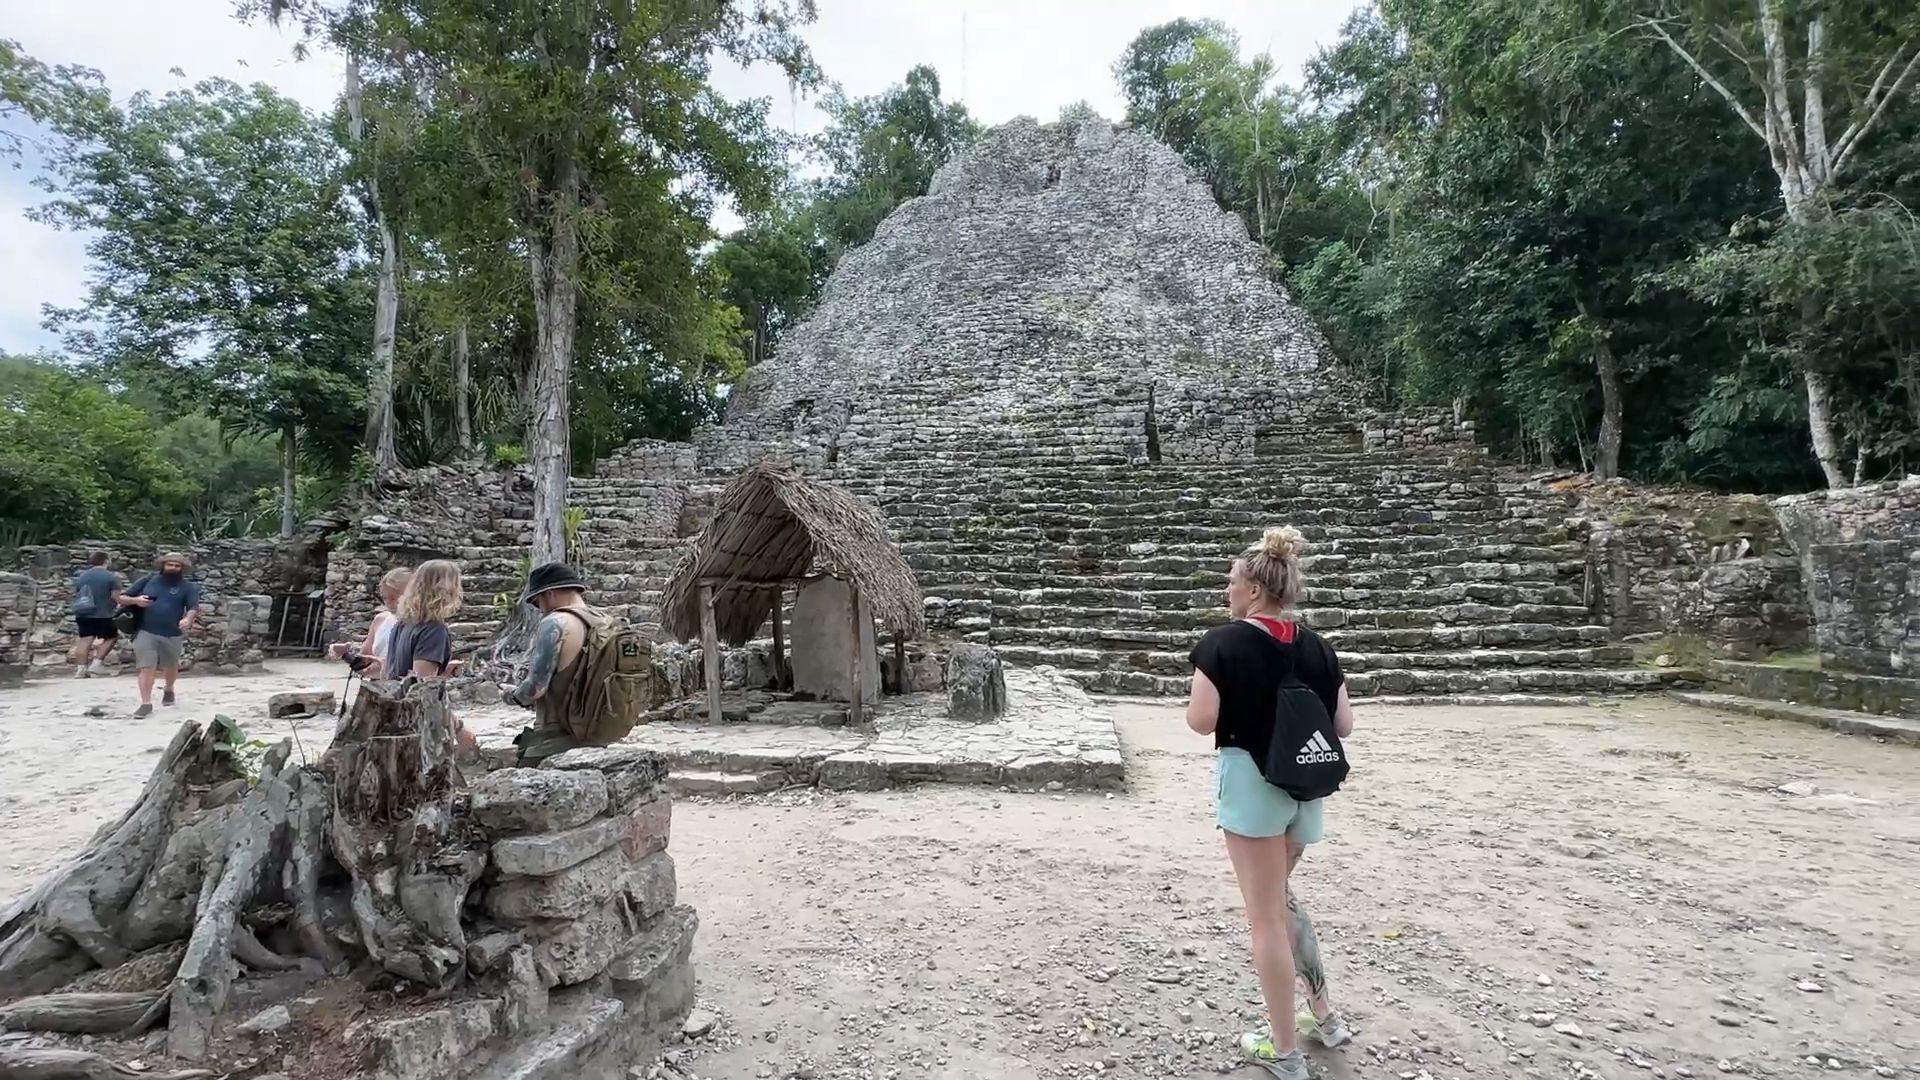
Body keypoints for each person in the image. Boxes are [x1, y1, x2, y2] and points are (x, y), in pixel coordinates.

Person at [1186, 526, 1357, 1079]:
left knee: (1265, 919)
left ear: (1255, 590)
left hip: (1253, 786)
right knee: (1281, 901)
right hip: (1305, 787)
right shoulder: (1319, 647)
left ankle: (1283, 1054)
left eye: (1232, 583)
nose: (1227, 591)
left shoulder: (1224, 642)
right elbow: (1344, 725)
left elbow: (1201, 721)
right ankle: (1325, 1018)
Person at [504, 562, 598, 766]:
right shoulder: (604, 622)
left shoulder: (556, 622)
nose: (539, 609)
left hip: (558, 736)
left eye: (537, 602)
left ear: (550, 594)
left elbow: (535, 689)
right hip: (599, 732)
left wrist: (512, 695)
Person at [119, 552, 203, 718]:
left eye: (177, 565)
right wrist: (136, 601)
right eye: (170, 564)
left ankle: (169, 688)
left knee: (171, 666)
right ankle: (145, 703)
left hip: (173, 632)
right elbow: (122, 598)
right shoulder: (147, 580)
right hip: (146, 630)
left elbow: (194, 606)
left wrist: (188, 618)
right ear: (163, 565)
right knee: (146, 667)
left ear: (182, 568)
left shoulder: (187, 587)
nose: (173, 568)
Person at [329, 567, 414, 677]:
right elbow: (364, 666)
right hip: (375, 688)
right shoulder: (380, 620)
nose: (388, 603)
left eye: (393, 598)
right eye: (385, 598)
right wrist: (344, 654)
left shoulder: (422, 627)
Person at [385, 559, 462, 677]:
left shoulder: (402, 624)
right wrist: (450, 673)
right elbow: (421, 683)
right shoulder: (434, 631)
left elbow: (388, 672)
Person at [68, 551, 122, 678]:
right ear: (106, 561)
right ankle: (96, 665)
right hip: (104, 613)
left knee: (84, 640)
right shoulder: (111, 577)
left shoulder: (82, 576)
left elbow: (77, 593)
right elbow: (115, 596)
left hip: (84, 613)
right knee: (111, 637)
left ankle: (81, 669)